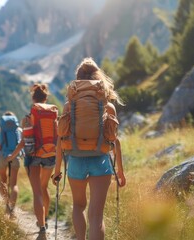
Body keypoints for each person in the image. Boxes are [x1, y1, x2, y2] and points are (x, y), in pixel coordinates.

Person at [52, 58, 126, 240]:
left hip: (76, 161)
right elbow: (115, 141)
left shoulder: (69, 106)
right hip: (100, 162)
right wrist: (120, 172)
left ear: (78, 82)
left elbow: (61, 140)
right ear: (98, 80)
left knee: (78, 206)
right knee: (97, 217)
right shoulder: (108, 107)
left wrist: (57, 171)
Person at [7, 83, 58, 235]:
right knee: (44, 188)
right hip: (50, 155)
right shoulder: (54, 115)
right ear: (46, 98)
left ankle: (41, 225)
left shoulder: (28, 119)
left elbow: (23, 142)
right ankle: (46, 217)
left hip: (34, 156)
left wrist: (13, 155)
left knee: (37, 192)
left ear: (33, 99)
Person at [0, 111, 22, 219]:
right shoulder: (18, 130)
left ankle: (6, 206)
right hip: (15, 156)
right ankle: (12, 209)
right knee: (14, 184)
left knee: (3, 181)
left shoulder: (0, 130)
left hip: (2, 156)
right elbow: (21, 143)